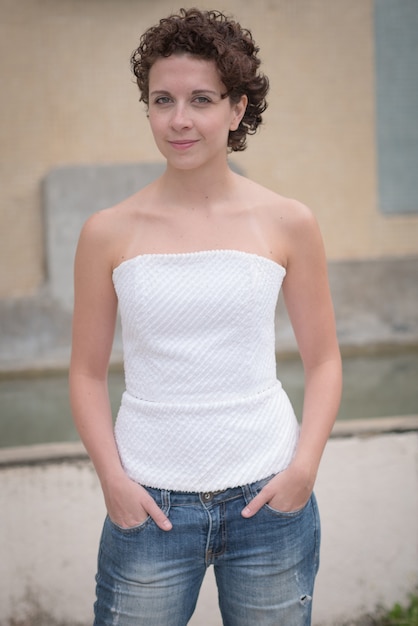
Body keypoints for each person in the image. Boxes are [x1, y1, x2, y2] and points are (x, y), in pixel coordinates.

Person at [69, 8, 342, 626]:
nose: (179, 119)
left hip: (270, 501)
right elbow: (86, 373)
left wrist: (302, 469)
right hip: (148, 506)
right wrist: (113, 480)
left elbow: (324, 359)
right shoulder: (107, 232)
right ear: (147, 108)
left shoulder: (288, 221)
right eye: (162, 99)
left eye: (201, 99)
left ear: (237, 108)